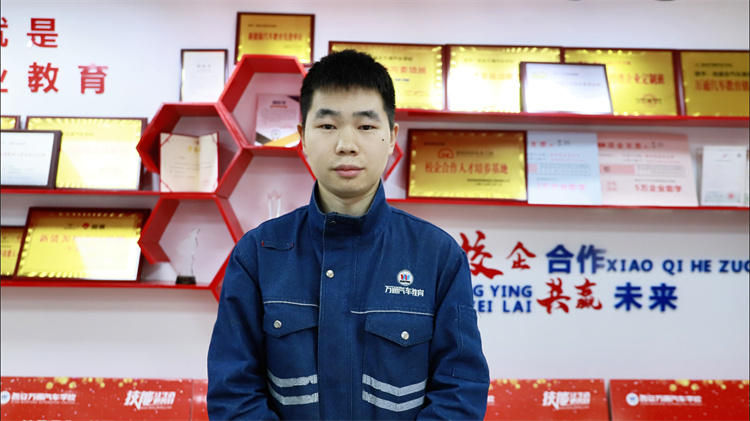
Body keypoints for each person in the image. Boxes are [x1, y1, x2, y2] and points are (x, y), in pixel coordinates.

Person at [207, 49, 490, 420]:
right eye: (327, 125)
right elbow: (233, 395)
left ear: (391, 137)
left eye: (366, 126)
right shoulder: (258, 254)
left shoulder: (438, 256)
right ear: (302, 137)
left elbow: (460, 394)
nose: (346, 144)